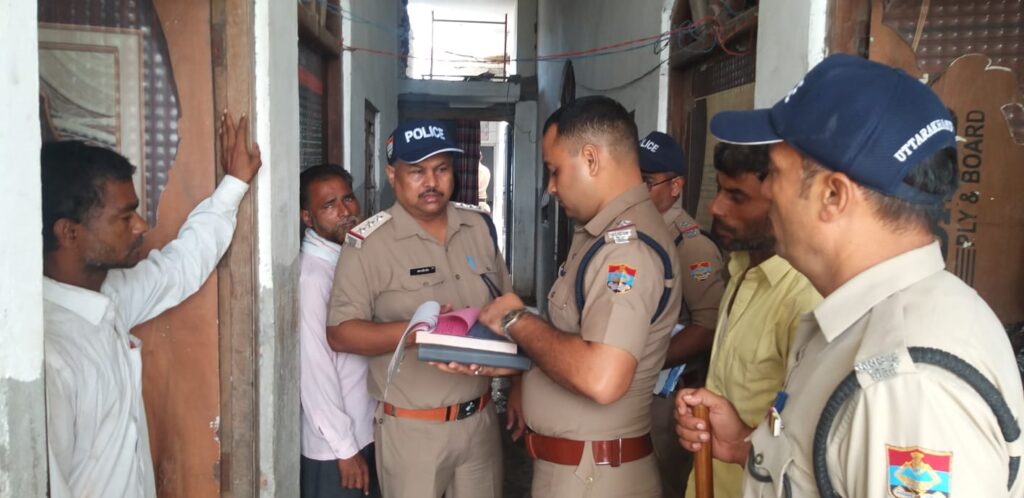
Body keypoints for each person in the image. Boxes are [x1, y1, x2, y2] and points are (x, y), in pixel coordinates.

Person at [676, 54, 1024, 497]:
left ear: (832, 195)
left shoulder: (908, 386)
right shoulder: (860, 325)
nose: (765, 191)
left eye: (775, 173)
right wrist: (747, 446)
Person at [460, 95, 683, 497]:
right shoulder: (598, 234)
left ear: (591, 159)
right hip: (583, 469)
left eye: (554, 170)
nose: (550, 186)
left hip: (593, 477)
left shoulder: (626, 251)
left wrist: (516, 319)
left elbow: (601, 377)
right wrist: (508, 362)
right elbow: (573, 343)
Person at [41, 112, 261, 498]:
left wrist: (234, 184)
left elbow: (179, 267)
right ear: (69, 232)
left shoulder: (107, 297)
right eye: (124, 216)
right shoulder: (49, 354)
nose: (141, 226)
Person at [326, 119, 512, 498]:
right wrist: (414, 332)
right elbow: (340, 334)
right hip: (412, 431)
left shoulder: (478, 228)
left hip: (480, 421)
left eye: (441, 169)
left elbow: (508, 311)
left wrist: (519, 389)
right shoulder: (368, 244)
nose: (432, 182)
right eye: (417, 172)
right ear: (392, 176)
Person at [681, 143, 820, 498]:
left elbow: (808, 446)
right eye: (720, 189)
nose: (715, 206)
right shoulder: (741, 268)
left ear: (784, 200)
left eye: (737, 196)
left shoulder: (804, 297)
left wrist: (741, 441)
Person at [637, 130, 725, 497]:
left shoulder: (690, 245)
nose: (637, 190)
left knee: (663, 482)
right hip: (637, 385)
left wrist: (645, 363)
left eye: (648, 182)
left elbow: (707, 326)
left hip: (668, 393)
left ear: (675, 186)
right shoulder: (637, 232)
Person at [298, 164, 380, 497]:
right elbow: (313, 372)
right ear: (307, 217)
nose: (345, 211)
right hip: (335, 449)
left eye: (348, 198)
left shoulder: (349, 261)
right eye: (329, 205)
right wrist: (345, 449)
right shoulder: (312, 278)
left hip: (365, 431)